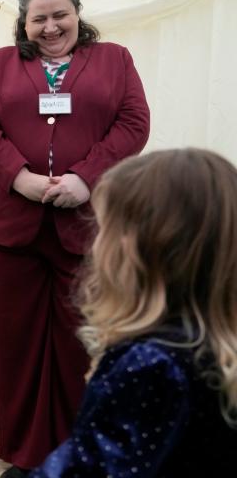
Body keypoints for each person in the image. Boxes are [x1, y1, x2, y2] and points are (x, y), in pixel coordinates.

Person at [0, 0, 150, 476]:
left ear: (77, 14)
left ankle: (78, 454)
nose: (50, 27)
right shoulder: (0, 63)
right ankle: (25, 459)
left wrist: (86, 178)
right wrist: (17, 176)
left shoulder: (115, 60)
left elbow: (134, 124)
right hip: (5, 227)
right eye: (38, 18)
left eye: (59, 15)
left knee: (79, 340)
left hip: (86, 225)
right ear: (23, 24)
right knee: (16, 344)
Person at [31, 148, 237, 475]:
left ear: (138, 250)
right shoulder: (218, 351)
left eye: (103, 229)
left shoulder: (150, 365)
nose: (95, 244)